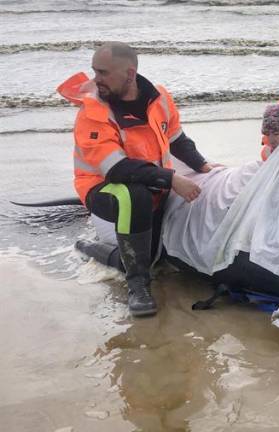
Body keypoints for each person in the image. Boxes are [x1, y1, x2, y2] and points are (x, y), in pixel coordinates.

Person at [58, 42, 218, 317]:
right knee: (133, 195)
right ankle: (138, 286)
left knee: (152, 258)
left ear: (130, 74)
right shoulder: (93, 112)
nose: (96, 80)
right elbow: (116, 169)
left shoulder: (159, 99)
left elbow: (176, 138)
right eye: (95, 71)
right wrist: (171, 178)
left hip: (150, 182)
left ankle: (110, 254)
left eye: (104, 73)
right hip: (104, 187)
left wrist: (203, 166)